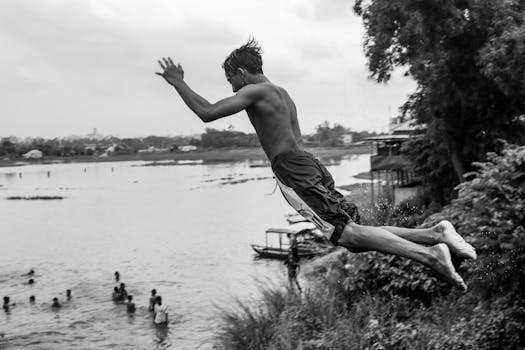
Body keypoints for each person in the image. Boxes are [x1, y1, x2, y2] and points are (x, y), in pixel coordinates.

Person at [155, 38, 477, 290]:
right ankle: (435, 234)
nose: (232, 89)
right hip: (309, 163)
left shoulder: (254, 90)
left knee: (348, 236)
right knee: (356, 237)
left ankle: (431, 256)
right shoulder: (282, 93)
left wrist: (178, 83)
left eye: (231, 81)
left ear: (241, 72)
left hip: (293, 168)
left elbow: (208, 112)